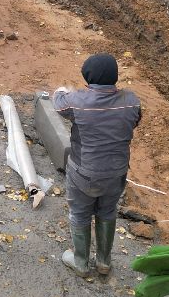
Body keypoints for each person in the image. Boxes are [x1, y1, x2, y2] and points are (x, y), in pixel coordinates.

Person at [53, 53, 142, 277]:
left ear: (88, 77)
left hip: (84, 173)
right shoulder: (132, 101)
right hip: (117, 172)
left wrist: (62, 90)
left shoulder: (78, 101)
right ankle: (104, 262)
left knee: (80, 214)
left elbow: (58, 104)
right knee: (107, 211)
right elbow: (135, 121)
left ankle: (81, 263)